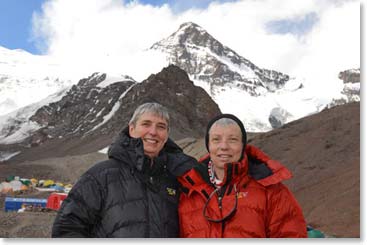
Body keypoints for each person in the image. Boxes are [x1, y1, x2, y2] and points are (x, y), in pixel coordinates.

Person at [52, 102, 196, 237]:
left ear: (166, 135)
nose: (153, 132)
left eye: (161, 126)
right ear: (132, 129)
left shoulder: (178, 179)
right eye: (146, 124)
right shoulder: (100, 176)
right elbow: (66, 229)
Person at [178, 114, 307, 238]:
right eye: (216, 139)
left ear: (243, 145)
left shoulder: (271, 191)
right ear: (208, 145)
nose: (224, 146)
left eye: (232, 140)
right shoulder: (188, 190)